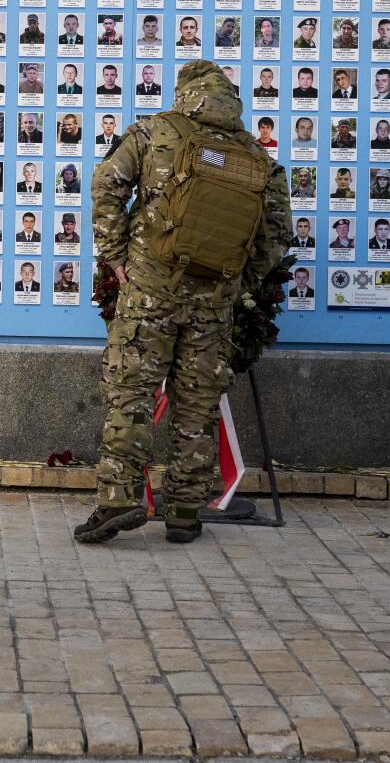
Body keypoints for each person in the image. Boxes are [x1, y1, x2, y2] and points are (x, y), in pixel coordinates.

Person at [79, 60, 292, 546]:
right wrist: (240, 283)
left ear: (186, 93)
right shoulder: (254, 155)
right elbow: (275, 231)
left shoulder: (154, 132)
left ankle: (119, 500)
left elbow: (106, 184)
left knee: (131, 395)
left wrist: (115, 257)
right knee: (196, 403)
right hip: (213, 301)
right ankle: (184, 513)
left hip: (150, 288)